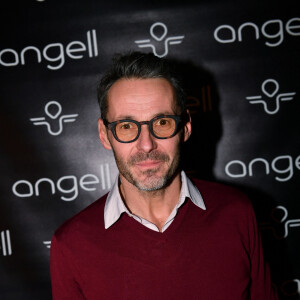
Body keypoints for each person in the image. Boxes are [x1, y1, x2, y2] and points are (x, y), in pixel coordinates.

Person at [50, 52, 278, 299]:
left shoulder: (236, 213)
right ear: (105, 134)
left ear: (186, 127)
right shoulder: (71, 245)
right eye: (126, 126)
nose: (146, 145)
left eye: (162, 123)